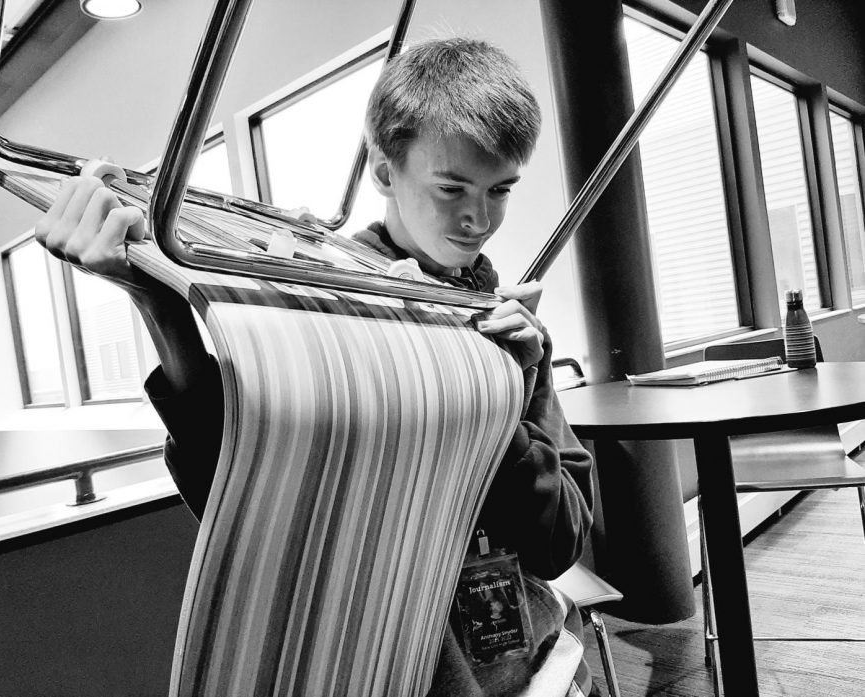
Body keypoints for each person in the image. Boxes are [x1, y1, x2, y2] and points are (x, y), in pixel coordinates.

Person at [34, 37, 598, 697]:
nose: (478, 217)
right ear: (386, 173)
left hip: (546, 671)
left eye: (501, 190)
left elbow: (560, 540)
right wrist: (160, 308)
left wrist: (497, 388)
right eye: (452, 187)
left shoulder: (512, 330)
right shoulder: (323, 300)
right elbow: (245, 489)